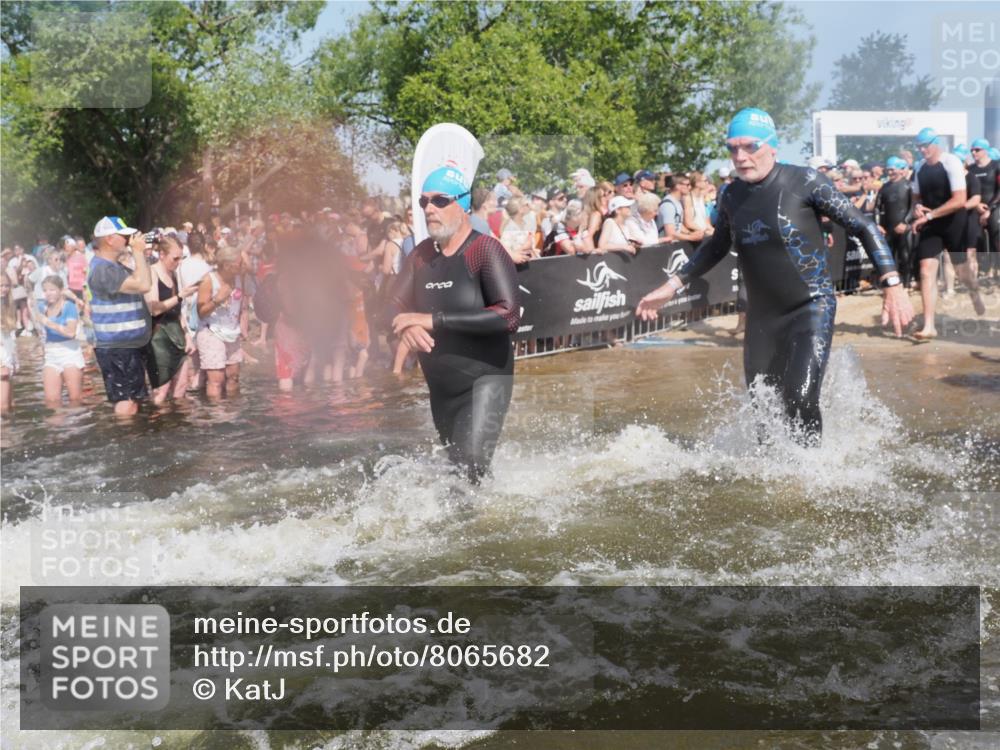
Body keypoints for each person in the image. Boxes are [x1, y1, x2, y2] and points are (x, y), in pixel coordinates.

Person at [636, 108, 913, 444]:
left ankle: (814, 475)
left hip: (809, 307)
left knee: (800, 397)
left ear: (772, 147)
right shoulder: (730, 195)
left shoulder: (805, 181)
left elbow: (864, 226)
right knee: (765, 409)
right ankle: (772, 483)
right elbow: (715, 246)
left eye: (749, 147)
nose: (740, 156)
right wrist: (671, 286)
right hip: (762, 315)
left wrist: (893, 285)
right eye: (732, 148)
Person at [386, 165, 520, 483]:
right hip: (442, 388)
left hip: (486, 381)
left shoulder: (484, 250)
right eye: (424, 202)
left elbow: (508, 315)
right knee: (457, 472)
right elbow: (391, 305)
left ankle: (479, 529)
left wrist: (433, 319)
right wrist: (406, 326)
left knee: (470, 468)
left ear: (462, 205)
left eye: (440, 201)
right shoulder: (420, 256)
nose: (429, 209)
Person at [87, 216, 152, 416]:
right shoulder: (102, 269)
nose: (128, 239)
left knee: (134, 399)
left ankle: (132, 439)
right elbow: (144, 285)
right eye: (123, 235)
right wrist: (138, 252)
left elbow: (142, 282)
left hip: (128, 343)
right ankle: (124, 441)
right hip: (116, 345)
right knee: (125, 401)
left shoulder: (115, 267)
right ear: (109, 239)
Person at [908, 128, 969, 340]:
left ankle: (976, 294)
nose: (922, 150)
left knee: (962, 271)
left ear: (936, 143)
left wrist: (930, 215)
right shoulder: (919, 167)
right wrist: (917, 207)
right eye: (919, 146)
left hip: (954, 221)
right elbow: (916, 196)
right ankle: (929, 326)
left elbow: (960, 200)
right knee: (926, 270)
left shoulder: (951, 162)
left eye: (925, 145)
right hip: (931, 223)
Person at [145, 235, 199, 404]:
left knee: (181, 387)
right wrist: (181, 296)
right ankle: (158, 426)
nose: (178, 262)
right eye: (175, 258)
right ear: (162, 254)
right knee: (161, 391)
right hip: (158, 337)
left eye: (181, 258)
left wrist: (188, 336)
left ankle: (178, 427)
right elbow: (154, 308)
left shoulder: (173, 275)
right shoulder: (151, 273)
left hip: (176, 334)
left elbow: (177, 311)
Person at [196, 245, 245, 399]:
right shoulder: (208, 280)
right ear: (226, 265)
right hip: (211, 331)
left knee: (234, 376)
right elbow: (201, 312)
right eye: (239, 263)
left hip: (232, 331)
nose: (242, 266)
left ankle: (232, 413)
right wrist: (218, 299)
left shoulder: (239, 277)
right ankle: (216, 416)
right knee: (216, 380)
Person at [31, 275, 84, 406]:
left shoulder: (68, 307)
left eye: (52, 290)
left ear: (61, 290)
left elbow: (71, 332)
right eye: (46, 290)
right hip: (51, 353)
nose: (48, 293)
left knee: (74, 399)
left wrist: (49, 323)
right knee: (51, 400)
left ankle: (76, 425)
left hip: (69, 352)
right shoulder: (42, 306)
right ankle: (56, 424)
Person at [876, 156, 915, 287]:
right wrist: (878, 224)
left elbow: (913, 206)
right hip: (888, 228)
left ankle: (907, 284)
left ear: (900, 170)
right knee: (889, 258)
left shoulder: (909, 186)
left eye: (892, 170)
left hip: (904, 227)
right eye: (888, 170)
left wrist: (905, 222)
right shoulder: (884, 187)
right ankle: (892, 285)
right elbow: (877, 207)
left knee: (905, 256)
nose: (890, 173)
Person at [1, 273, 18, 413]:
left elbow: (10, 337)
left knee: (11, 404)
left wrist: (14, 360)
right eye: (0, 285)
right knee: (3, 407)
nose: (4, 289)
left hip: (8, 355)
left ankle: (10, 434)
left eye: (6, 285)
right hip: (2, 359)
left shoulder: (8, 305)